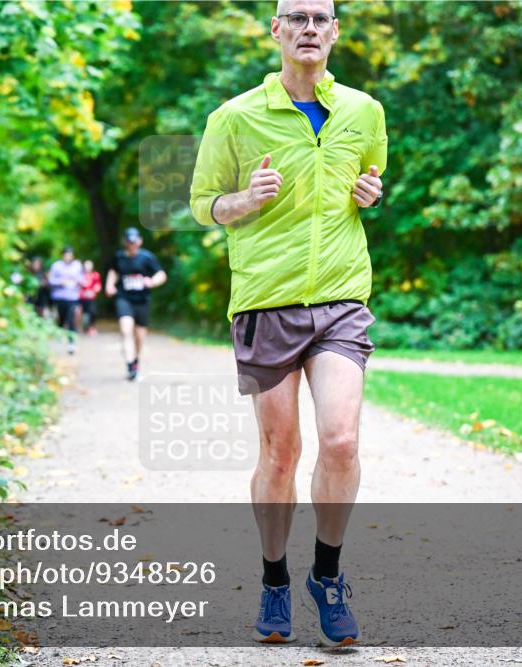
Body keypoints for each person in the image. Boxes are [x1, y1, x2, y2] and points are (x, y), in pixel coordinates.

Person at [189, 0, 386, 648]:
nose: (309, 28)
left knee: (341, 441)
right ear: (275, 30)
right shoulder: (234, 117)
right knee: (281, 454)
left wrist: (370, 195)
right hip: (265, 301)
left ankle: (326, 575)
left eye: (320, 18)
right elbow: (203, 204)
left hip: (340, 298)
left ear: (335, 31)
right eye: (296, 17)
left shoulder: (364, 111)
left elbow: (369, 180)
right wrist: (245, 199)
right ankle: (274, 577)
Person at [104, 227, 167, 381]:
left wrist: (152, 281)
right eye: (129, 242)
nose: (131, 244)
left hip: (142, 300)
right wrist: (109, 285)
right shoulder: (118, 257)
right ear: (125, 242)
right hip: (124, 298)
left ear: (139, 241)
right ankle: (130, 365)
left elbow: (161, 274)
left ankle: (135, 361)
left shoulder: (147, 257)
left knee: (139, 336)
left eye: (134, 241)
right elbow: (113, 272)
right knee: (126, 329)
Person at [48, 246, 85, 355]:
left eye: (70, 255)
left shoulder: (77, 265)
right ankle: (58, 341)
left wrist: (76, 280)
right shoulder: (56, 266)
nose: (68, 257)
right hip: (60, 297)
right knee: (61, 319)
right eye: (66, 255)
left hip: (73, 297)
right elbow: (51, 280)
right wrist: (61, 281)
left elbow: (83, 280)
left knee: (71, 318)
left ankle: (71, 343)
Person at [79, 260, 102, 336]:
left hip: (92, 298)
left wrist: (95, 289)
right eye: (86, 265)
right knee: (84, 314)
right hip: (82, 298)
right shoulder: (81, 275)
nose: (88, 267)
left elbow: (98, 285)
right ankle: (85, 327)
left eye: (89, 265)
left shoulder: (95, 275)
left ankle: (92, 327)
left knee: (93, 312)